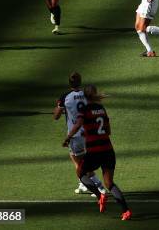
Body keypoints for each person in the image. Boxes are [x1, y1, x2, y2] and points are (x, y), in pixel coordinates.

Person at [63, 85, 132, 221]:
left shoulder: (84, 110)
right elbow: (108, 130)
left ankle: (99, 195)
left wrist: (68, 137)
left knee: (81, 173)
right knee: (109, 183)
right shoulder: (101, 109)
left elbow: (77, 125)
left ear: (85, 96)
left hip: (95, 152)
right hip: (108, 150)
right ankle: (126, 211)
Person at [53, 72, 105, 196]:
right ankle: (83, 183)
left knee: (81, 163)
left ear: (69, 83)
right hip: (90, 133)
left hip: (75, 135)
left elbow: (56, 116)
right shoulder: (86, 95)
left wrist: (58, 106)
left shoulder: (65, 96)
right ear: (80, 82)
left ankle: (99, 186)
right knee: (78, 160)